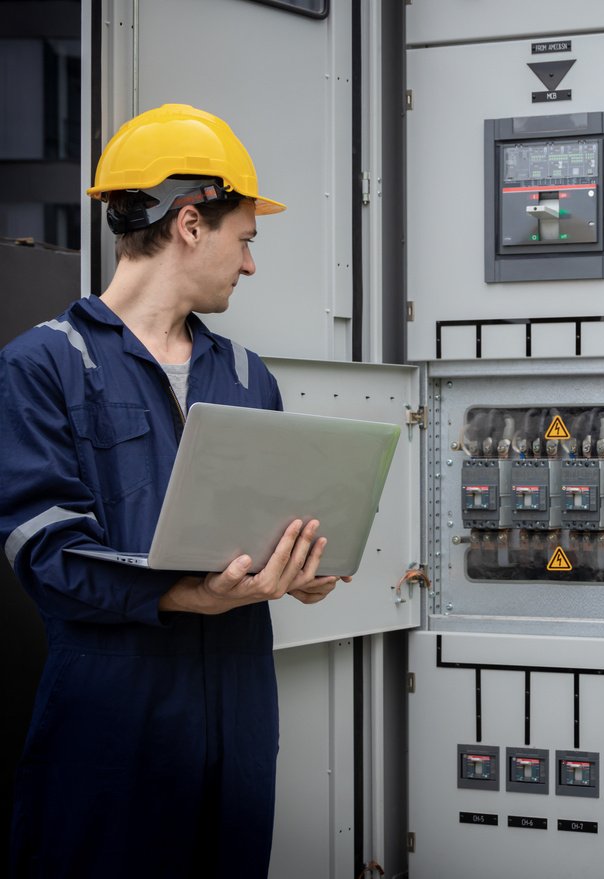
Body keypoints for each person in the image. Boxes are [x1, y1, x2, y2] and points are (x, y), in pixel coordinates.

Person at [0, 103, 345, 878]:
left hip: (239, 723)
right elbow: (45, 554)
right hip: (111, 731)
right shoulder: (43, 366)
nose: (250, 265)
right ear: (190, 222)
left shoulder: (249, 375)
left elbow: (269, 530)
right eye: (244, 239)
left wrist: (302, 569)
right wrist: (194, 594)